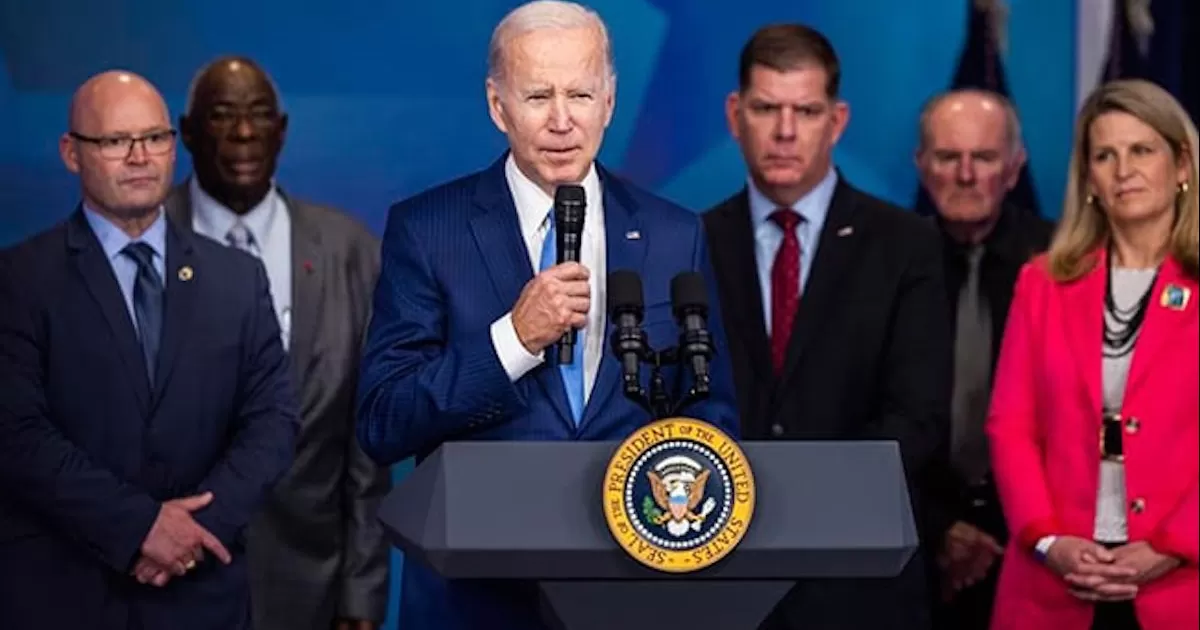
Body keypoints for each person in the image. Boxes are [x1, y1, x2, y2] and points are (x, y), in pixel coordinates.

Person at [355, 2, 739, 628]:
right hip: (474, 598)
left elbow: (711, 415)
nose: (562, 121)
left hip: (630, 593)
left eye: (581, 94)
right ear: (497, 105)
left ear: (610, 102)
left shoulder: (675, 235)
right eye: (538, 96)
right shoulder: (428, 230)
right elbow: (384, 421)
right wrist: (513, 340)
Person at [0, 70, 297, 630]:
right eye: (116, 141)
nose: (139, 156)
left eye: (155, 138)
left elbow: (273, 421)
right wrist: (139, 527)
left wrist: (190, 534)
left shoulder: (237, 278)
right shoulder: (18, 280)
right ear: (72, 153)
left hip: (202, 593)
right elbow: (16, 434)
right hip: (62, 593)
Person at [702, 24, 950, 630]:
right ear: (736, 115)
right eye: (766, 109)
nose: (785, 132)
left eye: (805, 111)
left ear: (836, 122)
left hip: (858, 582)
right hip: (719, 577)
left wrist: (798, 502)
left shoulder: (906, 244)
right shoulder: (691, 242)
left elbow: (917, 417)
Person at [165, 56, 391, 630]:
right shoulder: (144, 240)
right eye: (222, 116)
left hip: (311, 582)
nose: (243, 133)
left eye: (259, 115)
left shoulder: (350, 251)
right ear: (188, 133)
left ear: (282, 130)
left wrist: (361, 596)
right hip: (166, 583)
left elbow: (366, 451)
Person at [987, 79, 1198, 630]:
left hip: (1183, 582)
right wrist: (1048, 539)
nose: (1123, 169)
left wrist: (1173, 546)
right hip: (1057, 582)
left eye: (1142, 150)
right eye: (1105, 155)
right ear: (1090, 181)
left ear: (1181, 166)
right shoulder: (1042, 284)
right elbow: (1010, 425)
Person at [913, 88, 1055, 629]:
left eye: (986, 158)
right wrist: (938, 528)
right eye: (949, 158)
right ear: (922, 166)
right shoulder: (887, 265)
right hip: (914, 544)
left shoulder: (1062, 263)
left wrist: (1012, 527)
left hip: (1037, 546)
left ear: (1015, 168)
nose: (966, 175)